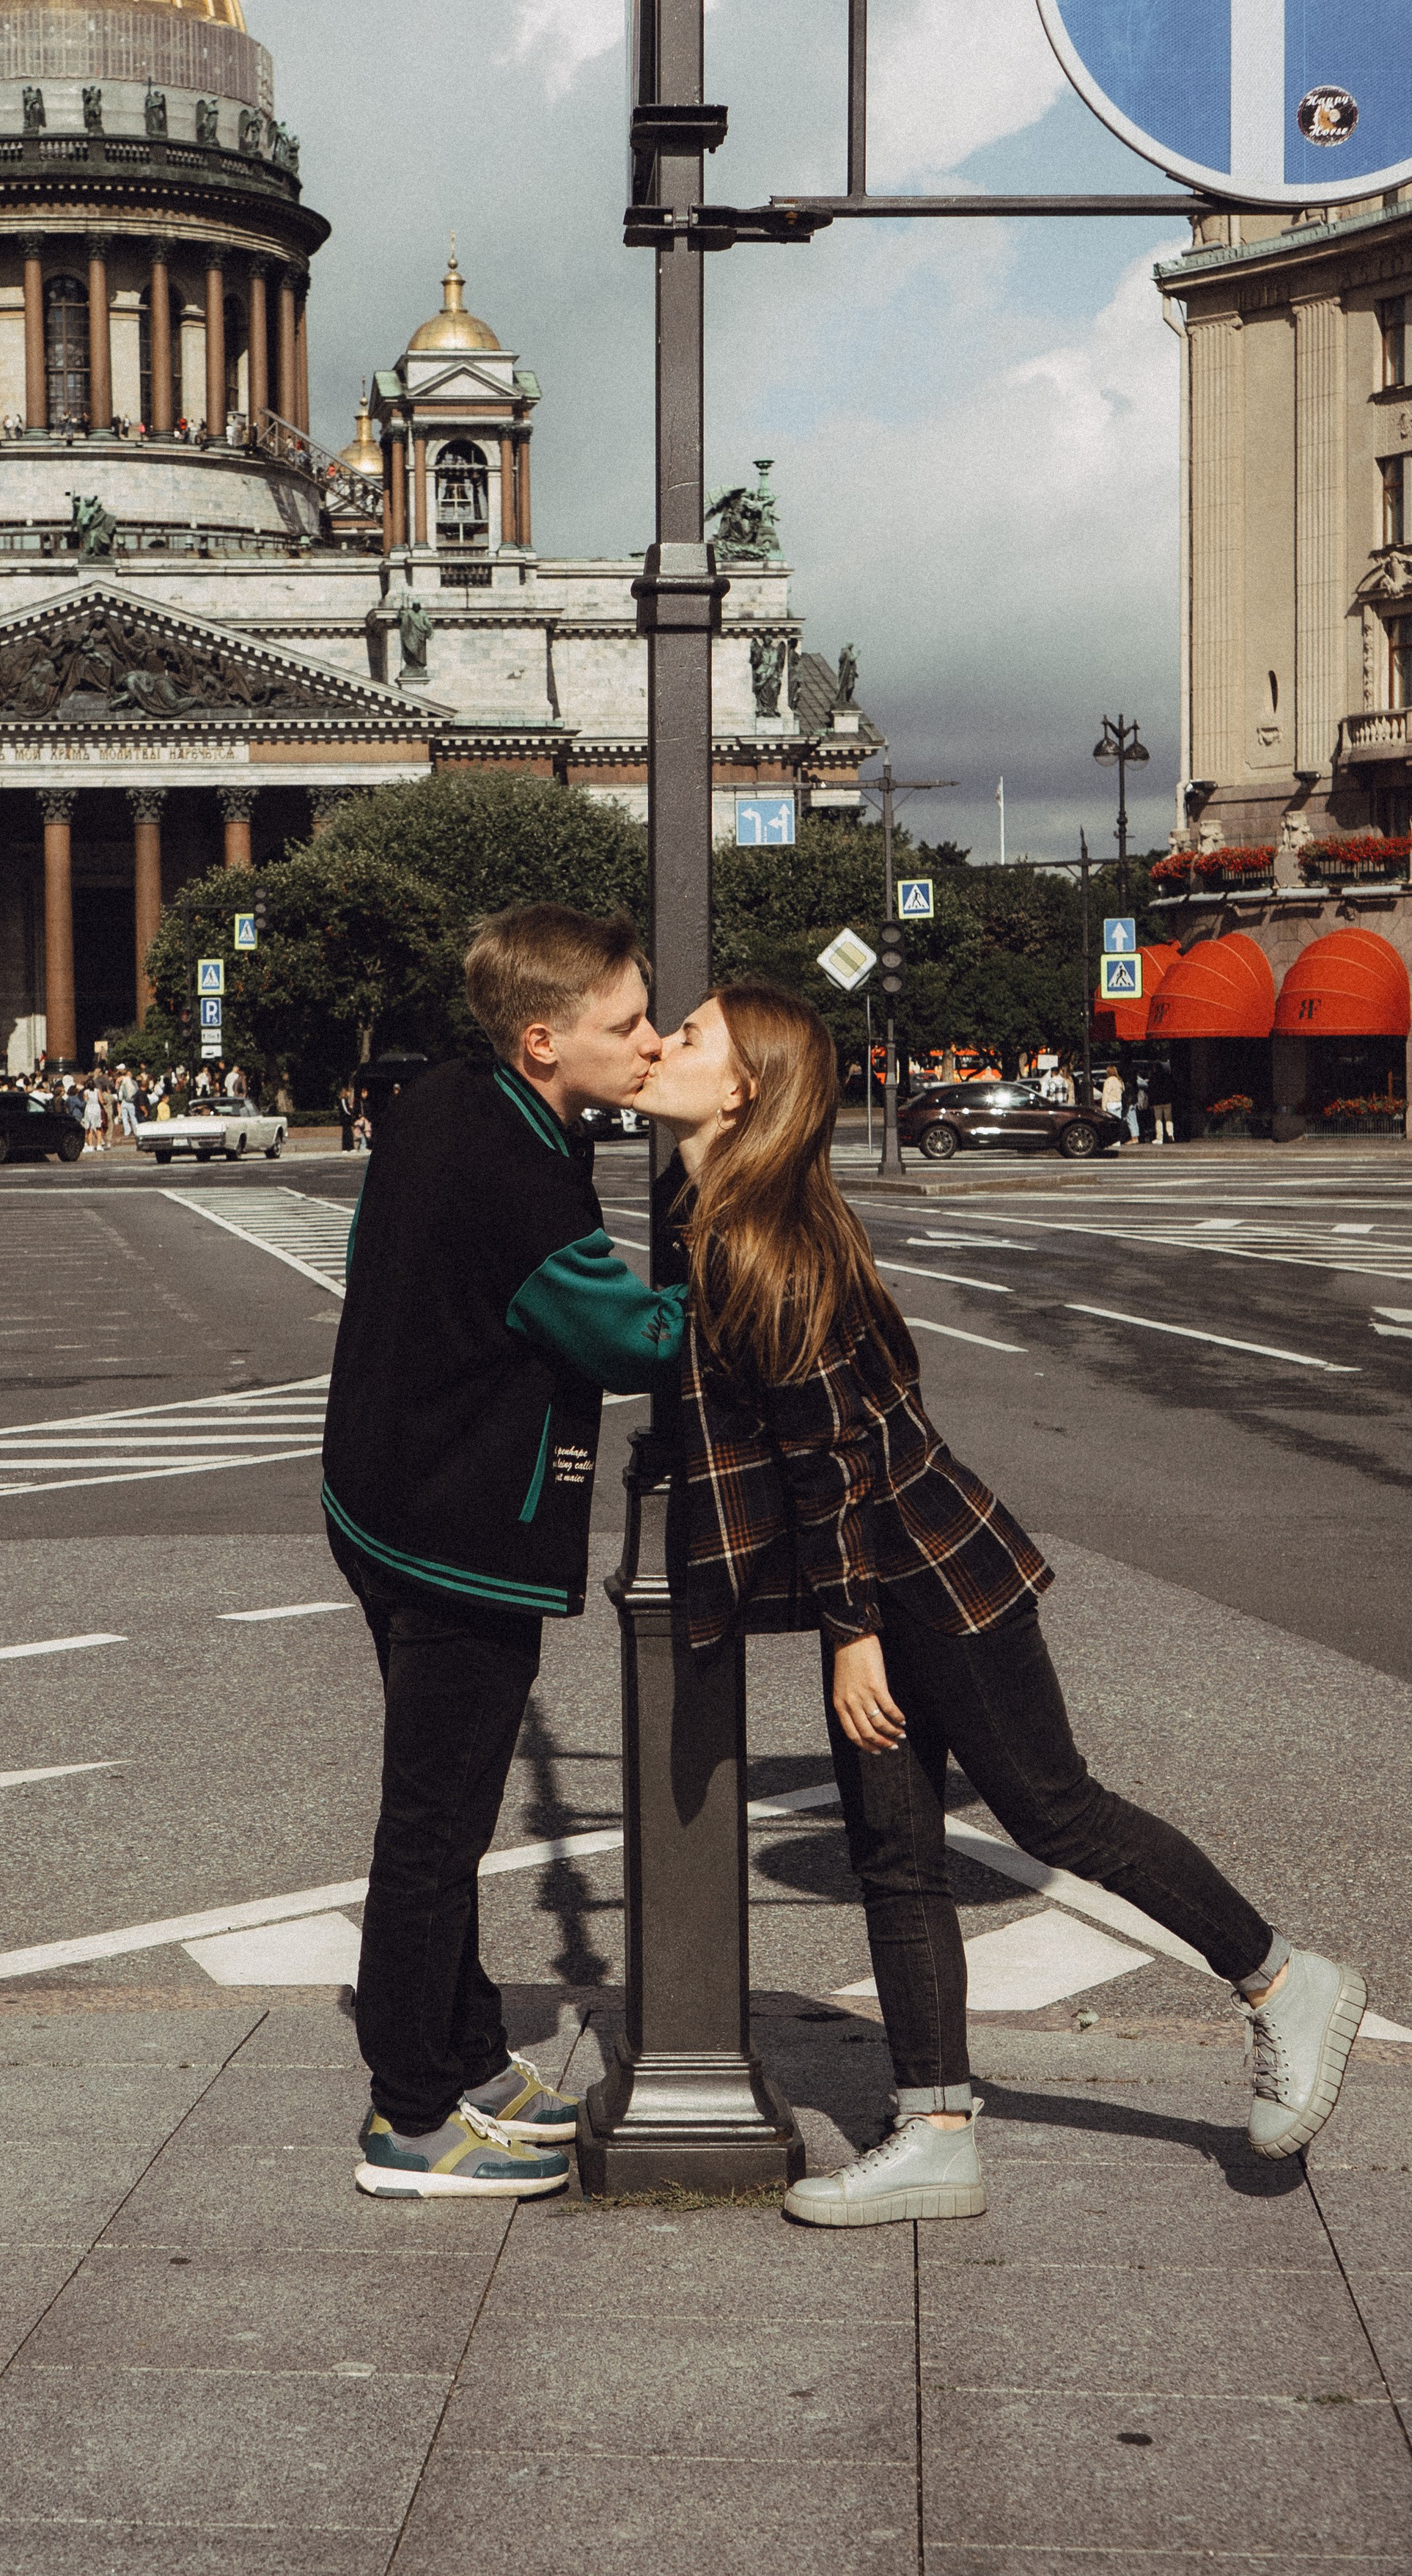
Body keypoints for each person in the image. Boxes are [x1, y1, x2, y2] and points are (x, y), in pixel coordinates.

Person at [642, 982, 1367, 2228]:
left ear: (743, 1089)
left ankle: (1282, 1979)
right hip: (888, 1568)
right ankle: (932, 2126)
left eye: (691, 1035)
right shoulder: (708, 1210)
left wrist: (851, 1633)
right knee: (894, 1852)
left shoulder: (762, 1241)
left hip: (925, 1572)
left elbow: (836, 1462)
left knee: (1051, 1807)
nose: (662, 1044)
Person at [323, 905, 691, 2200]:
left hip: (379, 1498)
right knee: (435, 1825)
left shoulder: (445, 1100)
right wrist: (724, 1275)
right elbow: (634, 1342)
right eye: (626, 1023)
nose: (649, 1042)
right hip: (455, 1528)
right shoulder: (520, 1172)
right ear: (544, 1039)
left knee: (440, 1816)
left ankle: (467, 2058)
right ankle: (410, 2120)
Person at [1147, 1055, 1176, 1145]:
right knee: (1168, 1119)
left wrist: (1151, 1102)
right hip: (1167, 1100)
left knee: (1158, 1120)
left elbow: (1151, 1090)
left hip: (1157, 1102)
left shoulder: (1153, 1078)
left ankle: (1160, 1138)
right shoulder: (1167, 1077)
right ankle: (1171, 1134)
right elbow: (1172, 1088)